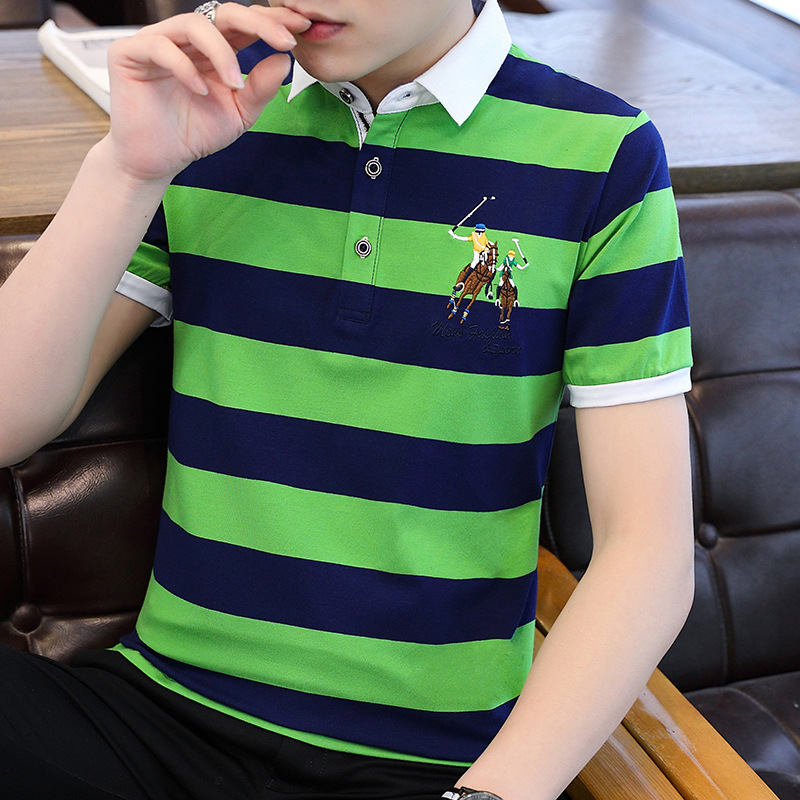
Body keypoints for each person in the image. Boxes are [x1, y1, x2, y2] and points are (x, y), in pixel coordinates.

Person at [0, 1, 695, 799]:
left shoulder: (603, 154)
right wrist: (127, 168)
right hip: (160, 712)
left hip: (425, 763)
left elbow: (648, 552)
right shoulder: (211, 114)